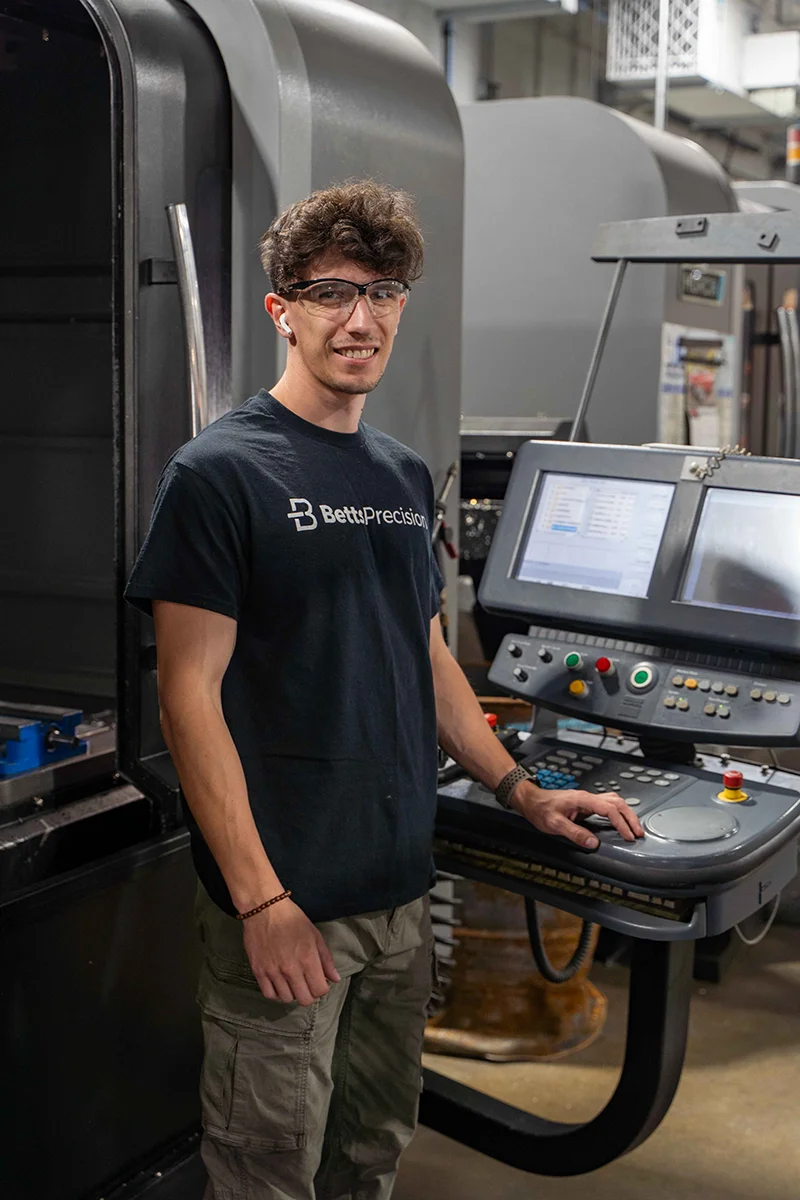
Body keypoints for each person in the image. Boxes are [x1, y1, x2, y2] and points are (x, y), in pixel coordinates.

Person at [124, 180, 643, 1200]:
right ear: (282, 311)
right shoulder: (219, 474)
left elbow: (428, 658)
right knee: (268, 1169)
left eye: (381, 293)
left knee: (370, 1153)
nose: (358, 319)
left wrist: (521, 789)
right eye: (329, 293)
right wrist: (262, 899)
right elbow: (189, 696)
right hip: (289, 899)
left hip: (399, 892)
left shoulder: (402, 476)